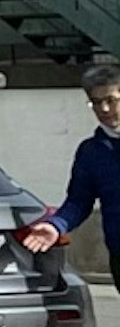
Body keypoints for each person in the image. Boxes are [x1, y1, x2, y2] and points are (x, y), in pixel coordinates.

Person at [16, 61, 119, 268]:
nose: (104, 109)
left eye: (111, 100)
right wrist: (56, 226)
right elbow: (78, 202)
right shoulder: (91, 152)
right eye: (96, 102)